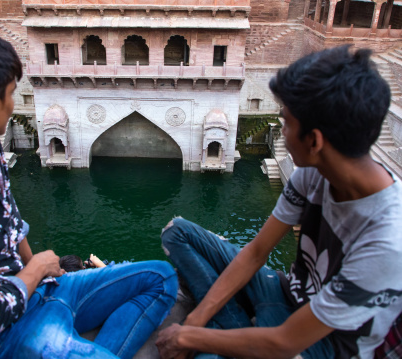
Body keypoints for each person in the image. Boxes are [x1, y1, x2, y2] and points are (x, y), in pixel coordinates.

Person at [0, 29, 178, 359]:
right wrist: (37, 269)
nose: (15, 105)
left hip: (42, 293)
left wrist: (41, 272)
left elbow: (12, 225)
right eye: (12, 94)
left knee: (162, 277)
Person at [156, 45, 402, 359]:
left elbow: (285, 342)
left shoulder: (388, 242)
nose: (282, 132)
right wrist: (194, 323)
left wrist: (191, 339)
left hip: (318, 343)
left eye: (286, 123)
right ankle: (233, 329)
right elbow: (256, 253)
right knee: (176, 232)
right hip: (284, 293)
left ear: (314, 141)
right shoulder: (313, 175)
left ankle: (232, 332)